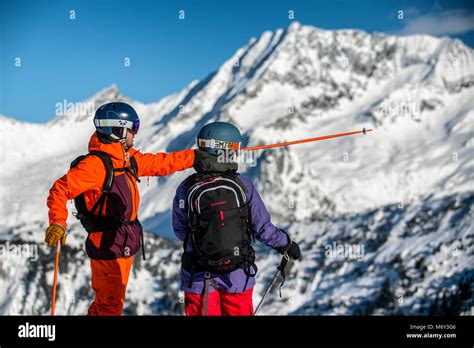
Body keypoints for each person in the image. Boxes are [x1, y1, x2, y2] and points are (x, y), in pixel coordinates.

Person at [45, 102, 195, 315]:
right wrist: (58, 223)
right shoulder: (96, 165)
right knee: (109, 306)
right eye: (133, 128)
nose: (135, 133)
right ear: (117, 130)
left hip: (123, 242)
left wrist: (198, 157)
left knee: (107, 304)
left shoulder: (128, 160)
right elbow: (60, 190)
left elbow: (164, 162)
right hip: (108, 245)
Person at [172, 121, 301, 316]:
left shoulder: (186, 188)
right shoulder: (243, 185)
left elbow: (180, 231)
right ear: (227, 150)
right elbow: (263, 228)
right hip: (237, 274)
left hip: (198, 275)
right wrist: (286, 244)